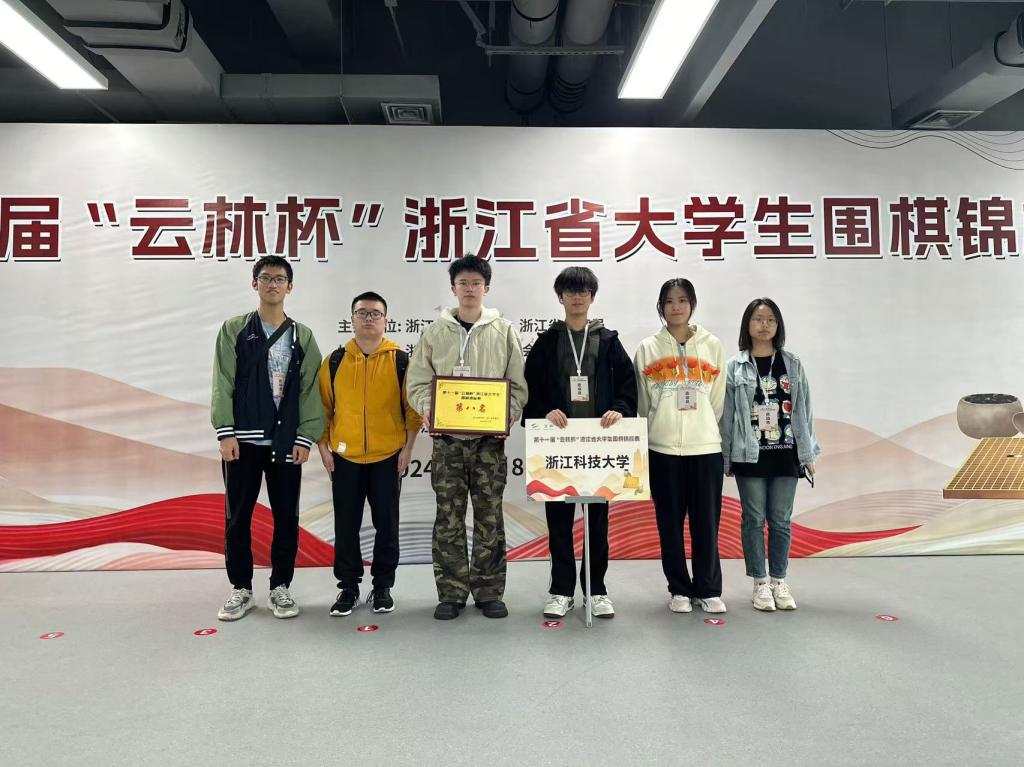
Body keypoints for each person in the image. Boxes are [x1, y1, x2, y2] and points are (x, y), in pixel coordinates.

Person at [405, 254, 528, 620]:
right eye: (463, 283)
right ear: (453, 288)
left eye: (476, 283)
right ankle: (451, 593)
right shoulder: (434, 332)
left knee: (490, 517)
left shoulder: (503, 330)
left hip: (489, 442)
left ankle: (489, 592)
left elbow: (517, 384)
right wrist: (428, 409)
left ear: (486, 288)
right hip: (448, 441)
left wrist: (506, 414)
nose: (470, 289)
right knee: (448, 517)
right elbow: (417, 382)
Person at [211, 256, 324, 621]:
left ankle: (280, 587)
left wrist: (305, 437)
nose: (272, 284)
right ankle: (241, 589)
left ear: (290, 287)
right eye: (265, 277)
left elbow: (311, 389)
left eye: (279, 279)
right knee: (238, 518)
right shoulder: (234, 329)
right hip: (241, 442)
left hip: (284, 441)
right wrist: (225, 432)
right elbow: (223, 380)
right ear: (254, 283)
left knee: (286, 517)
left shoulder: (302, 335)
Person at [522, 267, 637, 620]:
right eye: (570, 291)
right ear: (560, 297)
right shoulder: (547, 341)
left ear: (592, 297)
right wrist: (544, 411)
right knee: (558, 522)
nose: (576, 297)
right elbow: (530, 389)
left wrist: (620, 410)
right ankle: (560, 591)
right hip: (559, 446)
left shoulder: (609, 340)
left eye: (583, 291)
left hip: (598, 446)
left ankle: (596, 590)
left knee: (597, 524)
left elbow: (627, 385)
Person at [317, 291, 423, 617]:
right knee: (346, 525)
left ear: (385, 321)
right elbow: (323, 409)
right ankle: (348, 587)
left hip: (388, 457)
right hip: (344, 458)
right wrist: (323, 448)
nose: (368, 319)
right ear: (351, 319)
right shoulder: (334, 362)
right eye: (362, 313)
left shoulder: (401, 361)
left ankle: (382, 587)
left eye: (375, 313)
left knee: (387, 526)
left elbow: (412, 411)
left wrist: (407, 449)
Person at [633, 278, 727, 615]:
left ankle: (708, 589)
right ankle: (679, 589)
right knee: (669, 526)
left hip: (705, 449)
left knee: (706, 524)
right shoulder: (648, 348)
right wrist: (659, 428)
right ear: (661, 306)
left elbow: (717, 400)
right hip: (663, 451)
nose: (676, 307)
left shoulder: (712, 345)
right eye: (669, 301)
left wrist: (702, 426)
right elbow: (643, 403)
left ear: (693, 305)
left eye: (683, 300)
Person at [720, 297, 820, 611]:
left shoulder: (792, 363)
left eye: (770, 320)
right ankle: (760, 583)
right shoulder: (735, 366)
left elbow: (804, 410)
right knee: (753, 519)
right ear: (747, 325)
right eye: (758, 319)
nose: (764, 325)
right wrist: (726, 456)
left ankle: (779, 579)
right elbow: (727, 415)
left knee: (780, 520)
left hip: (786, 452)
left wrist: (807, 454)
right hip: (750, 454)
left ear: (778, 325)